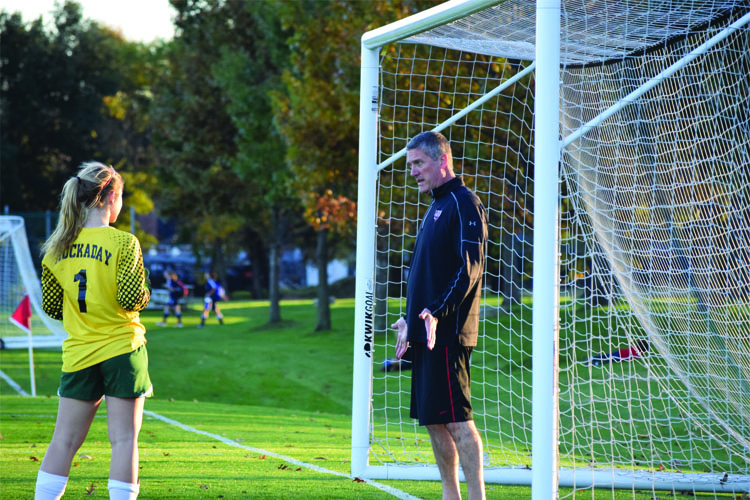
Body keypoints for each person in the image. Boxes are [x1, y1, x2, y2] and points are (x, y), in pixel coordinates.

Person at [35, 162, 152, 500]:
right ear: (112, 197)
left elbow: (54, 308)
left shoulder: (56, 248)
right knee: (124, 440)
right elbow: (132, 299)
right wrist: (145, 290)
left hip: (79, 352)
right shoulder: (124, 242)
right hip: (122, 350)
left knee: (63, 441)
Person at [392, 131, 488, 500]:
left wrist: (436, 313)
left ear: (442, 160)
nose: (413, 171)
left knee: (458, 422)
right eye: (410, 165)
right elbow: (427, 273)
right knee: (434, 421)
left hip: (447, 333)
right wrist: (410, 317)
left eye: (419, 163)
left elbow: (469, 268)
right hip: (424, 331)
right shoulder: (435, 206)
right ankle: (451, 495)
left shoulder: (464, 202)